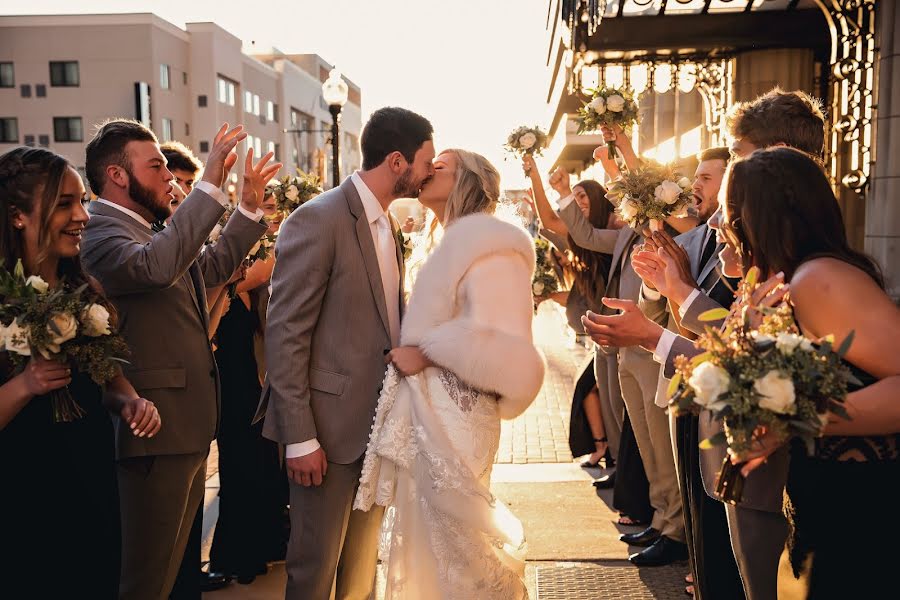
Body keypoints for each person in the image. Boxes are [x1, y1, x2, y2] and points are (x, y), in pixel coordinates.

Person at [583, 87, 828, 599]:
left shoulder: (816, 274)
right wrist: (674, 291)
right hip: (734, 454)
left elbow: (759, 367)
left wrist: (657, 330)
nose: (718, 216)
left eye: (736, 163)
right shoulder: (761, 250)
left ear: (777, 159)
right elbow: (737, 348)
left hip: (774, 478)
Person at [80, 120, 278, 600]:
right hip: (151, 428)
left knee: (167, 575)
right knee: (145, 579)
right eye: (157, 166)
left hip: (184, 425)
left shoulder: (152, 228)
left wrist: (248, 207)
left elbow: (209, 269)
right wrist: (208, 181)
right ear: (117, 175)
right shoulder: (101, 231)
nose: (169, 176)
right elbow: (154, 268)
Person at [255, 106, 435, 600]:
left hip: (377, 427)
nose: (428, 173)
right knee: (313, 570)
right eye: (425, 161)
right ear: (397, 161)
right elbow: (286, 332)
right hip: (325, 434)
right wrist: (299, 437)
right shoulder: (319, 218)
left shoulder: (388, 227)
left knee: (360, 572)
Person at [355, 148, 545, 598]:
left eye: (439, 166)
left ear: (466, 182)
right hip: (428, 405)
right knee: (423, 529)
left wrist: (427, 352)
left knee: (458, 535)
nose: (426, 172)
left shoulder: (491, 243)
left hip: (462, 408)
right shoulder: (438, 240)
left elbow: (498, 334)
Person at [720, 148, 900, 599]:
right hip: (823, 491)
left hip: (863, 506)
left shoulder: (818, 280)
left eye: (731, 216)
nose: (724, 228)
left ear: (757, 218)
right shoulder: (792, 282)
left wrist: (797, 417)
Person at [0, 147, 160, 598]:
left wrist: (131, 401)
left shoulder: (82, 291)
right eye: (65, 204)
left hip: (90, 484)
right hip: (22, 497)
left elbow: (110, 384)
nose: (82, 216)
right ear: (17, 216)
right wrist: (25, 384)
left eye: (82, 201)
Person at [556, 129, 688, 567]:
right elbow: (584, 235)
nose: (618, 200)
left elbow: (645, 190)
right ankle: (661, 516)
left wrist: (623, 153)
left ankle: (676, 529)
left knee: (660, 443)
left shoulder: (664, 230)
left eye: (625, 195)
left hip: (654, 346)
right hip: (626, 348)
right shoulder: (623, 237)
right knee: (646, 442)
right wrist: (564, 196)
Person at [635, 146, 744, 599]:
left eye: (708, 179)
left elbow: (729, 338)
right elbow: (679, 315)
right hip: (692, 382)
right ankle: (702, 569)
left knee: (721, 514)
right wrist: (660, 283)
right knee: (698, 500)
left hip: (726, 400)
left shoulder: (752, 259)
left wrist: (675, 292)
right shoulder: (697, 239)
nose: (697, 189)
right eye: (694, 178)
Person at [160, 139, 232, 597]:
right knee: (156, 554)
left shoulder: (173, 235)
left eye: (187, 184)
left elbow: (214, 273)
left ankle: (189, 578)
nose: (178, 192)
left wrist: (244, 208)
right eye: (174, 181)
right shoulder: (138, 240)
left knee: (181, 531)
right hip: (157, 405)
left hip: (193, 395)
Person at [208, 191, 286, 584]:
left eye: (274, 213)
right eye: (265, 213)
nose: (271, 222)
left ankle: (267, 543)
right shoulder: (229, 259)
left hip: (256, 374)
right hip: (232, 375)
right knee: (240, 464)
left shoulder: (257, 257)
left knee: (263, 461)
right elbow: (252, 277)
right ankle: (236, 554)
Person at [525, 154, 614, 469]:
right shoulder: (578, 242)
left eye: (582, 196)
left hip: (618, 338)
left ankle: (608, 452)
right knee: (594, 394)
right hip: (599, 340)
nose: (576, 202)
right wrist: (534, 174)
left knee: (597, 395)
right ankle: (606, 450)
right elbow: (548, 220)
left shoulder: (605, 239)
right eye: (572, 197)